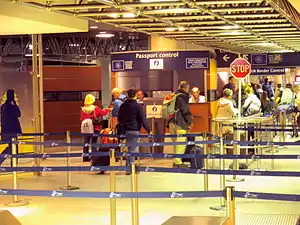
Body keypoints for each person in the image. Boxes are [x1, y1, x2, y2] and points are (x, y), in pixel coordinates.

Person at [118, 89, 151, 169]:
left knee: (128, 148)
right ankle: (130, 168)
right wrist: (149, 130)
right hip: (134, 129)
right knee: (132, 149)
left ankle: (128, 165)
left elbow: (119, 118)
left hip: (124, 130)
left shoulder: (123, 105)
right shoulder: (137, 106)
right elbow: (142, 119)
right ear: (135, 95)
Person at [168, 81, 193, 168]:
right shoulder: (182, 97)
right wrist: (190, 121)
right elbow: (185, 110)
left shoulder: (173, 95)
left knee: (176, 143)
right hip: (180, 123)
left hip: (171, 122)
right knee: (181, 142)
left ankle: (175, 161)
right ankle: (178, 162)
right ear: (186, 88)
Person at [80, 94, 110, 162]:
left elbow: (81, 118)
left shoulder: (83, 109)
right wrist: (107, 110)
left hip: (86, 128)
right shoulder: (95, 108)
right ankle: (93, 156)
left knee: (86, 142)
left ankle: (85, 157)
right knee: (94, 142)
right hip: (95, 127)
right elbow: (103, 113)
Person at [0, 90, 22, 166]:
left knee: (12, 147)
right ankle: (13, 165)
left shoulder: (3, 107)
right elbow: (18, 114)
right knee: (13, 148)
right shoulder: (11, 107)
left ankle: (13, 164)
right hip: (11, 131)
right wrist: (15, 105)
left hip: (6, 131)